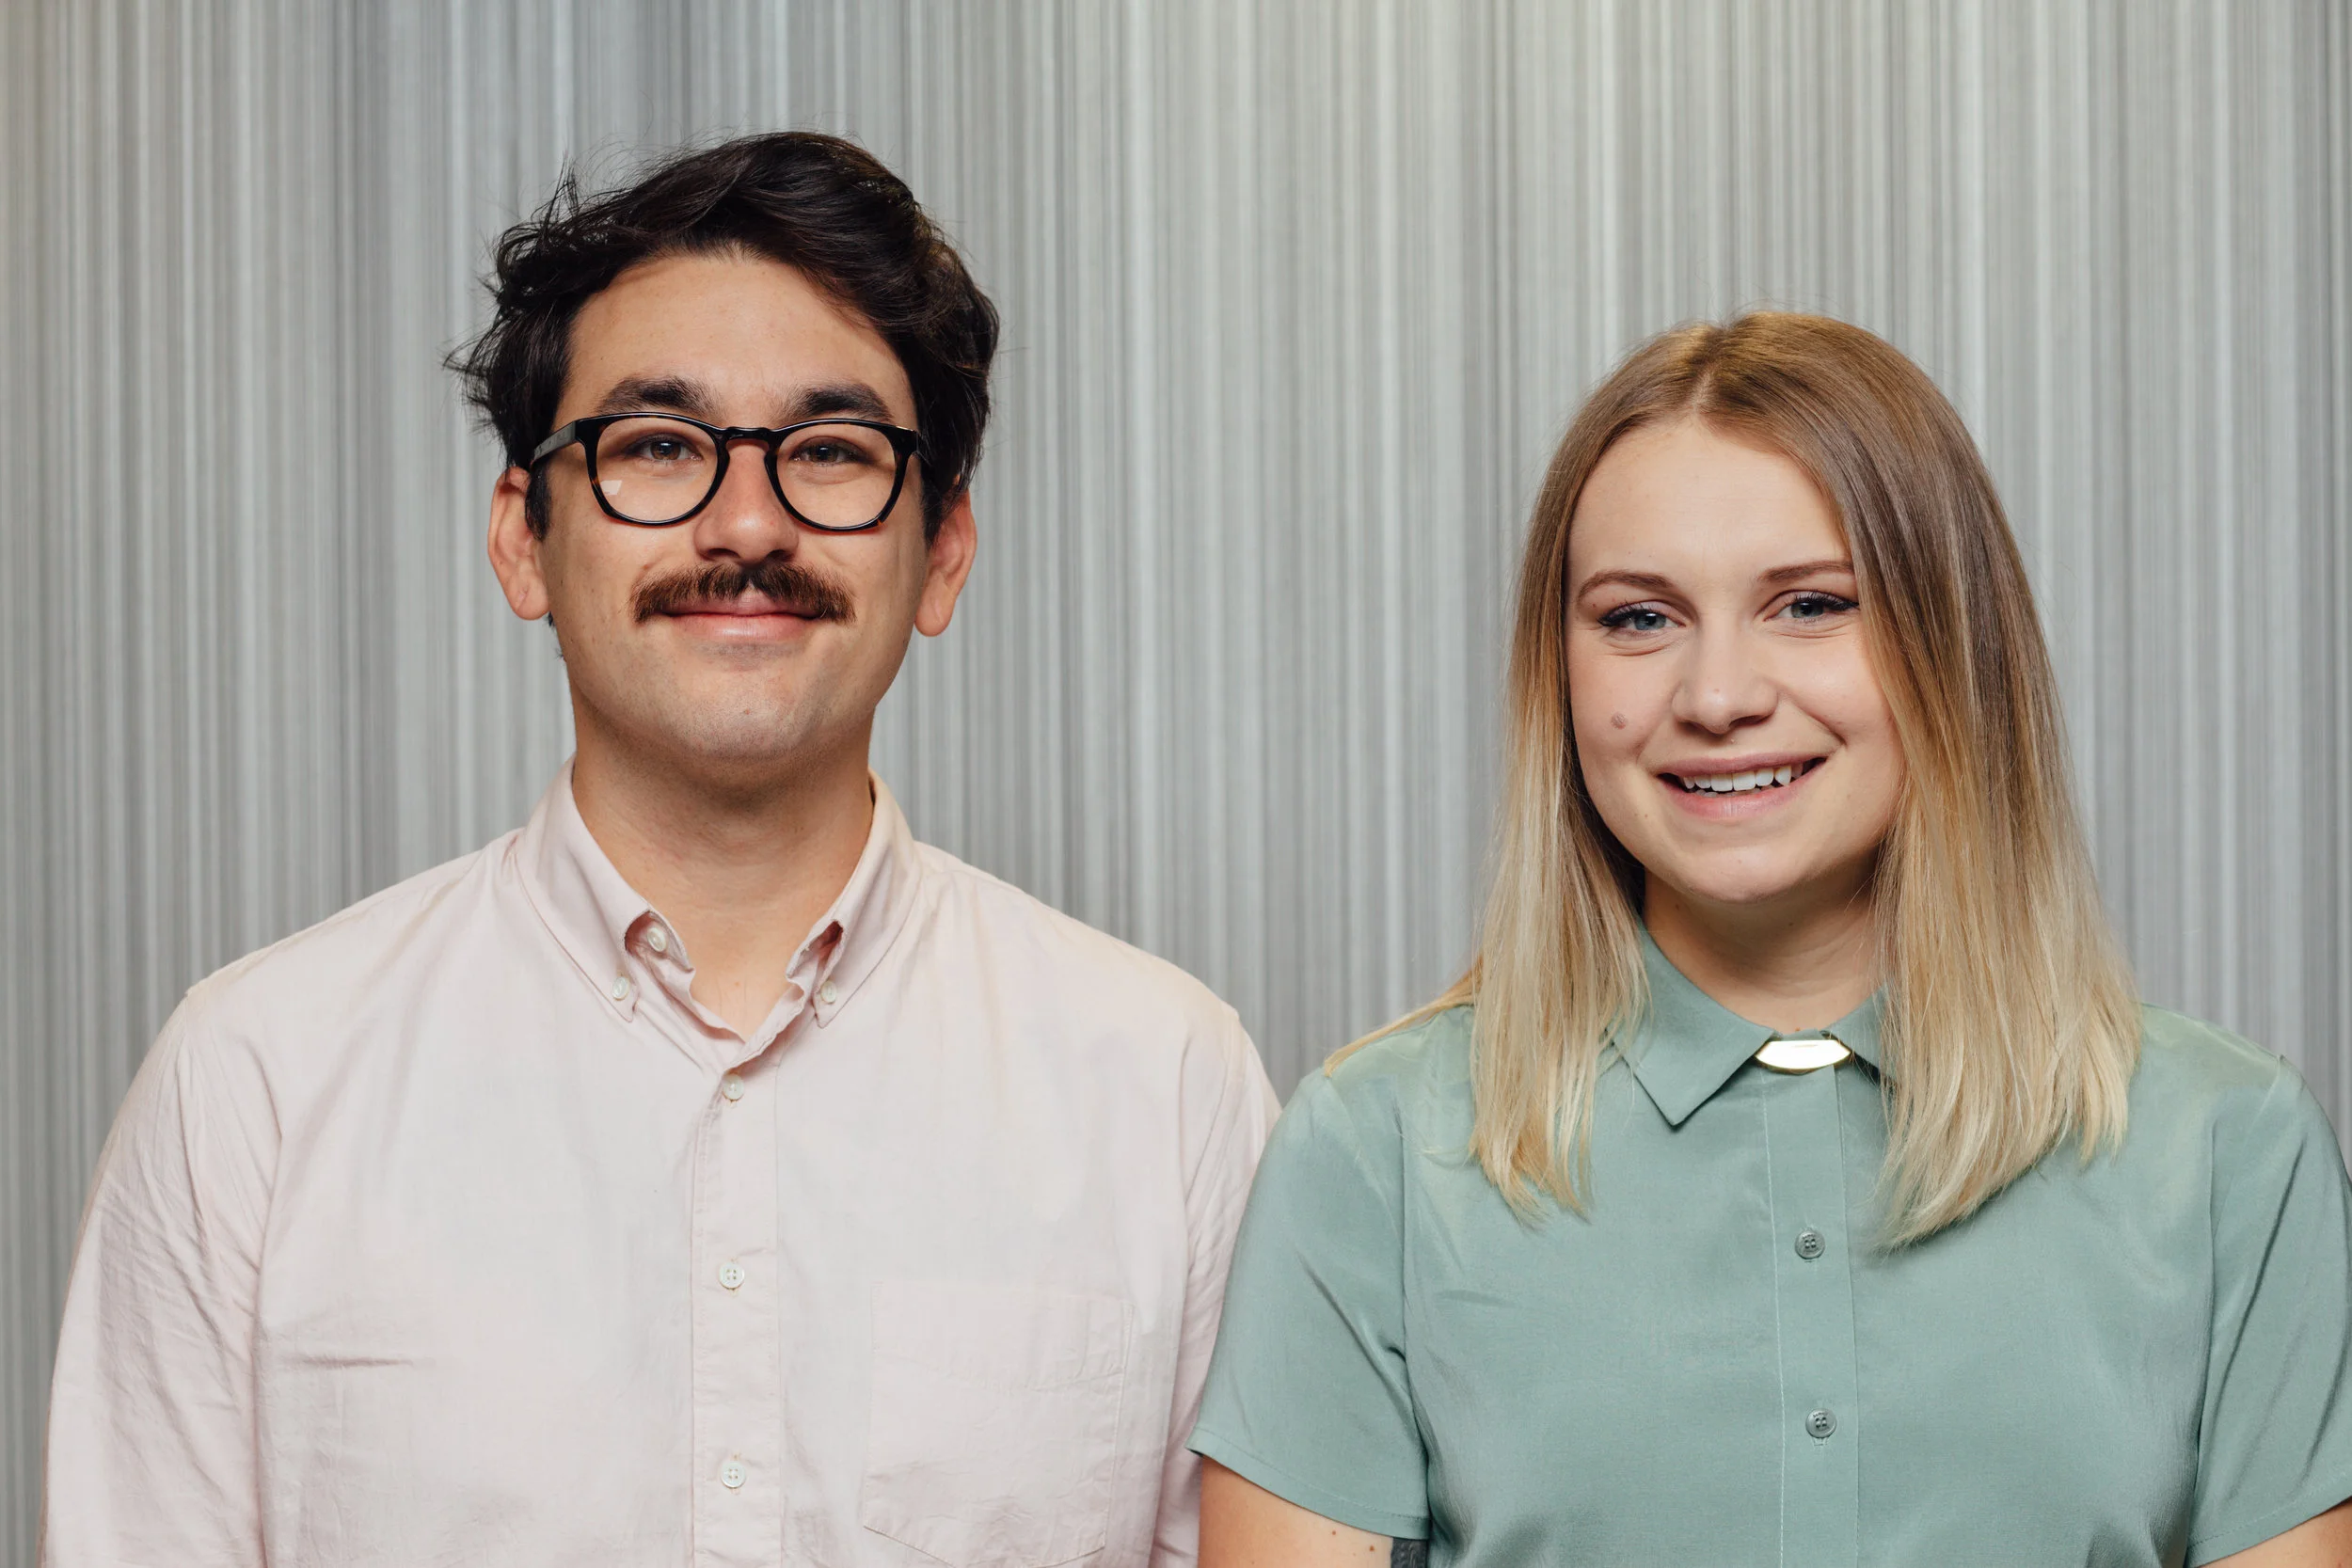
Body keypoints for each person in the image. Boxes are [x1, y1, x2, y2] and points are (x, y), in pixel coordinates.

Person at [43, 132, 1276, 1567]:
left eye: (831, 452)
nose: (745, 523)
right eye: (655, 447)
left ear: (942, 551)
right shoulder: (252, 1087)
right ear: (523, 540)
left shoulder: (1169, 1089)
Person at [1189, 312, 2352, 1567]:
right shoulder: (1374, 1153)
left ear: (1951, 645)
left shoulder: (2234, 1153)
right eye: (1639, 618)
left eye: (1809, 604)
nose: (1719, 694)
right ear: (1560, 672)